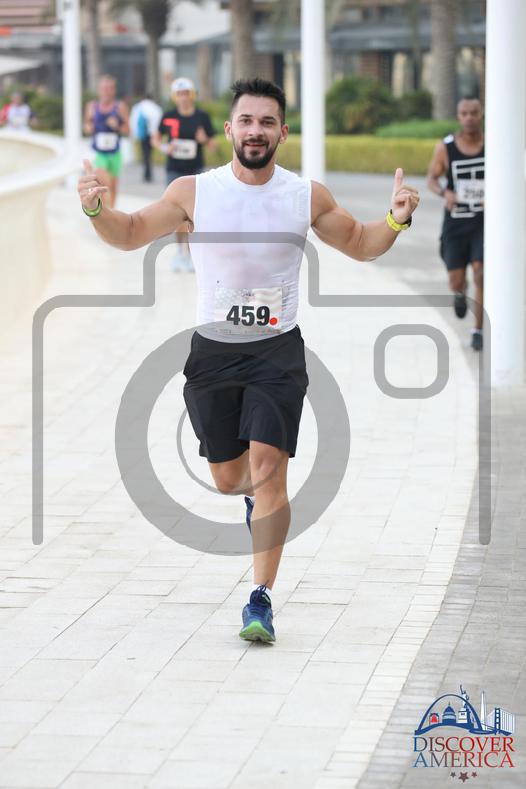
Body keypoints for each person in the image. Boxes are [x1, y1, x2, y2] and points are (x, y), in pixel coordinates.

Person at [77, 78, 419, 644]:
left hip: (276, 351)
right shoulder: (194, 192)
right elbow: (131, 232)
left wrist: (396, 219)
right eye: (246, 121)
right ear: (229, 129)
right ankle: (252, 501)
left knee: (269, 467)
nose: (255, 131)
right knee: (230, 477)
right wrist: (96, 209)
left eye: (267, 122)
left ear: (282, 132)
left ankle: (260, 598)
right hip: (214, 352)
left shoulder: (304, 195)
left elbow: (360, 242)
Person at [427, 97, 484, 351]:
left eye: (474, 112)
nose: (469, 117)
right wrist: (444, 193)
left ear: (481, 115)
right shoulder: (446, 147)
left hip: (483, 222)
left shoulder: (493, 144)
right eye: (464, 113)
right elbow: (431, 179)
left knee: (481, 272)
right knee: (455, 279)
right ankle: (460, 292)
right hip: (456, 223)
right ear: (458, 116)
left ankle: (478, 330)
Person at [152, 77, 217, 272]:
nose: (183, 97)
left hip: (195, 170)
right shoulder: (168, 116)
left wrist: (204, 140)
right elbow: (155, 139)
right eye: (179, 94)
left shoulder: (202, 117)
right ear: (174, 96)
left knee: (194, 214)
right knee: (177, 214)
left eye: (186, 93)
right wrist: (165, 148)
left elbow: (213, 145)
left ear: (192, 95)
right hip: (174, 169)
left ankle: (191, 254)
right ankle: (181, 253)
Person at [83, 75, 130, 208]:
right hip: (99, 152)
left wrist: (117, 126)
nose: (106, 92)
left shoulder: (120, 107)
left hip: (115, 152)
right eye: (104, 88)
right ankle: (103, 210)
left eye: (109, 88)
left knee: (113, 186)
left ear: (114, 90)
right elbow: (86, 126)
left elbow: (128, 130)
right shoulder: (92, 106)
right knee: (103, 182)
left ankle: (111, 211)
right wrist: (89, 127)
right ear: (99, 90)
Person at [130, 93, 162, 182]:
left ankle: (146, 174)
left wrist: (134, 134)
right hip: (152, 134)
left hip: (143, 134)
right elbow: (158, 121)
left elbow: (133, 121)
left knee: (145, 154)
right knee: (150, 154)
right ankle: (149, 173)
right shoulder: (155, 107)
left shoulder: (138, 107)